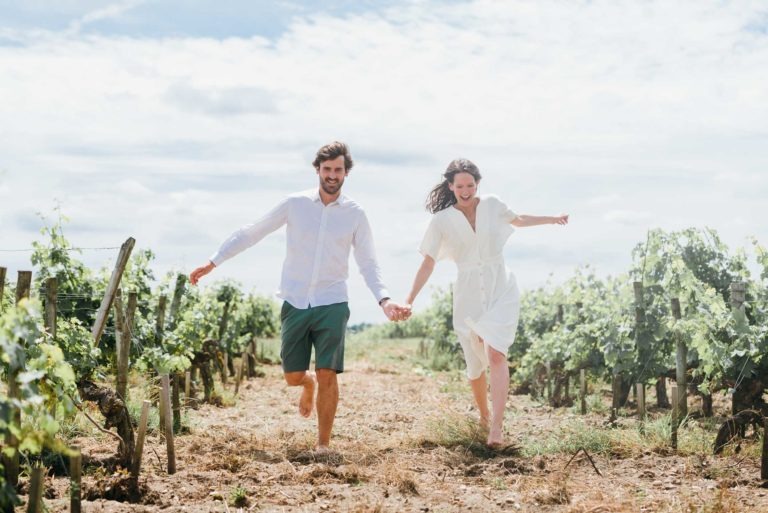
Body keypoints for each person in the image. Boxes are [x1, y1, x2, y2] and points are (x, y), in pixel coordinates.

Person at [190, 141, 411, 452]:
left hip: (333, 302)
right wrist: (213, 262)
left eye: (338, 170)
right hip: (295, 301)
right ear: (317, 170)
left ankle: (323, 445)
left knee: (328, 373)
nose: (332, 175)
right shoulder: (294, 204)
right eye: (327, 169)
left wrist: (384, 300)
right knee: (294, 376)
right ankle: (306, 384)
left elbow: (368, 262)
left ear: (346, 172)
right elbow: (253, 231)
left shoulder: (355, 214)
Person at [404, 158, 568, 447]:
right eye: (460, 186)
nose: (466, 190)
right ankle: (483, 414)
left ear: (477, 184)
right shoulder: (441, 220)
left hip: (499, 287)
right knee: (475, 365)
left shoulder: (492, 205)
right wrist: (409, 299)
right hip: (467, 294)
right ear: (451, 187)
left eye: (470, 185)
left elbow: (518, 219)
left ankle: (496, 428)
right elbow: (428, 262)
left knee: (495, 353)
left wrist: (552, 218)